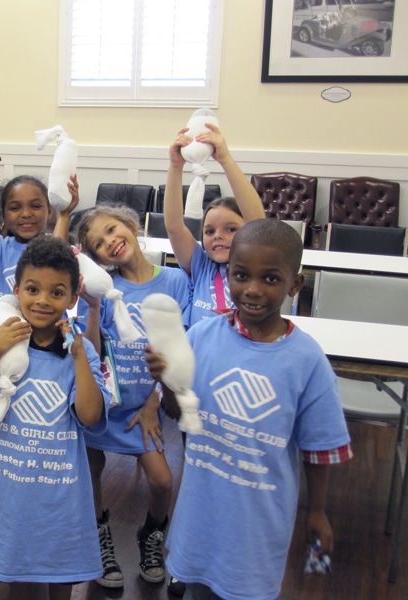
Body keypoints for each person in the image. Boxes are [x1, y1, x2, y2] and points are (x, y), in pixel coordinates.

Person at [146, 219, 352, 600]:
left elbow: (320, 447)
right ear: (228, 275)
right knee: (196, 589)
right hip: (199, 514)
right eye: (241, 275)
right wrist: (169, 381)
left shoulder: (306, 360)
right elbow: (180, 415)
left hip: (257, 526)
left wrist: (318, 511)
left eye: (270, 279)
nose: (253, 290)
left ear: (295, 284)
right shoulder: (202, 337)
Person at [0, 236, 109, 600]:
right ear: (16, 290)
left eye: (57, 292)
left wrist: (77, 357)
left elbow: (89, 417)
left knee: (60, 576)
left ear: (73, 298)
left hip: (62, 494)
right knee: (20, 577)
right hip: (10, 491)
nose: (42, 300)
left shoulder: (81, 349)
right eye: (32, 289)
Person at [75, 204, 190, 589]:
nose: (110, 242)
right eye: (99, 244)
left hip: (144, 406)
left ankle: (151, 534)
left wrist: (154, 403)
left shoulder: (175, 281)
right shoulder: (104, 291)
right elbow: (91, 352)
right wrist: (92, 309)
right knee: (90, 470)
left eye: (112, 230)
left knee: (161, 481)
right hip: (106, 404)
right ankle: (99, 534)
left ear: (131, 224)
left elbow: (179, 350)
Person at [164, 123, 265, 325]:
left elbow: (259, 224)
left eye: (231, 229)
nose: (217, 235)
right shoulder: (202, 266)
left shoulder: (256, 264)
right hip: (201, 356)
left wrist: (225, 159)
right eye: (209, 231)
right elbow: (175, 227)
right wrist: (176, 166)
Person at [0, 172, 78, 335]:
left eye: (35, 206)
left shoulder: (51, 248)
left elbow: (56, 254)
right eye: (15, 208)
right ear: (4, 214)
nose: (26, 214)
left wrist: (64, 215)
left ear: (49, 211)